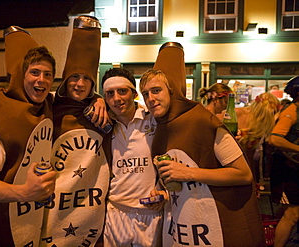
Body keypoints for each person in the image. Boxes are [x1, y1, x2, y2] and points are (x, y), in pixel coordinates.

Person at [140, 42, 266, 246]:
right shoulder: (160, 127)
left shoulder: (202, 120)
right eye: (145, 94)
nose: (150, 98)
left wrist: (187, 173)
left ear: (172, 90)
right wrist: (164, 194)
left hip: (214, 228)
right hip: (183, 228)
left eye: (156, 90)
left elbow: (243, 173)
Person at [0, 26, 58, 246]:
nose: (42, 80)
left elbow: (77, 95)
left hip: (30, 225)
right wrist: (25, 192)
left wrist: (96, 101)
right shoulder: (0, 114)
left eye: (48, 75)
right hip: (0, 228)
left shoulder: (46, 103)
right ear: (22, 75)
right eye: (35, 72)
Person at [40, 15, 111, 247]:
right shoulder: (48, 106)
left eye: (86, 79)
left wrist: (101, 100)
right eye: (74, 77)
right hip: (52, 213)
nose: (79, 84)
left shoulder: (101, 113)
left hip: (89, 217)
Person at [101, 67, 165, 247]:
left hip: (150, 212)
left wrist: (163, 190)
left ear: (134, 93)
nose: (116, 99)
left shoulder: (152, 119)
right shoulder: (103, 123)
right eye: (110, 93)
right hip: (116, 212)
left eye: (122, 91)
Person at [268, 76, 299, 247]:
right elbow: (275, 139)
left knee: (290, 211)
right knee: (292, 214)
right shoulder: (291, 112)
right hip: (287, 170)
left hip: (293, 168)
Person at [236, 92, 280, 188]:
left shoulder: (259, 125)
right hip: (227, 166)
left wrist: (254, 181)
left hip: (241, 170)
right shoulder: (238, 113)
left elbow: (250, 156)